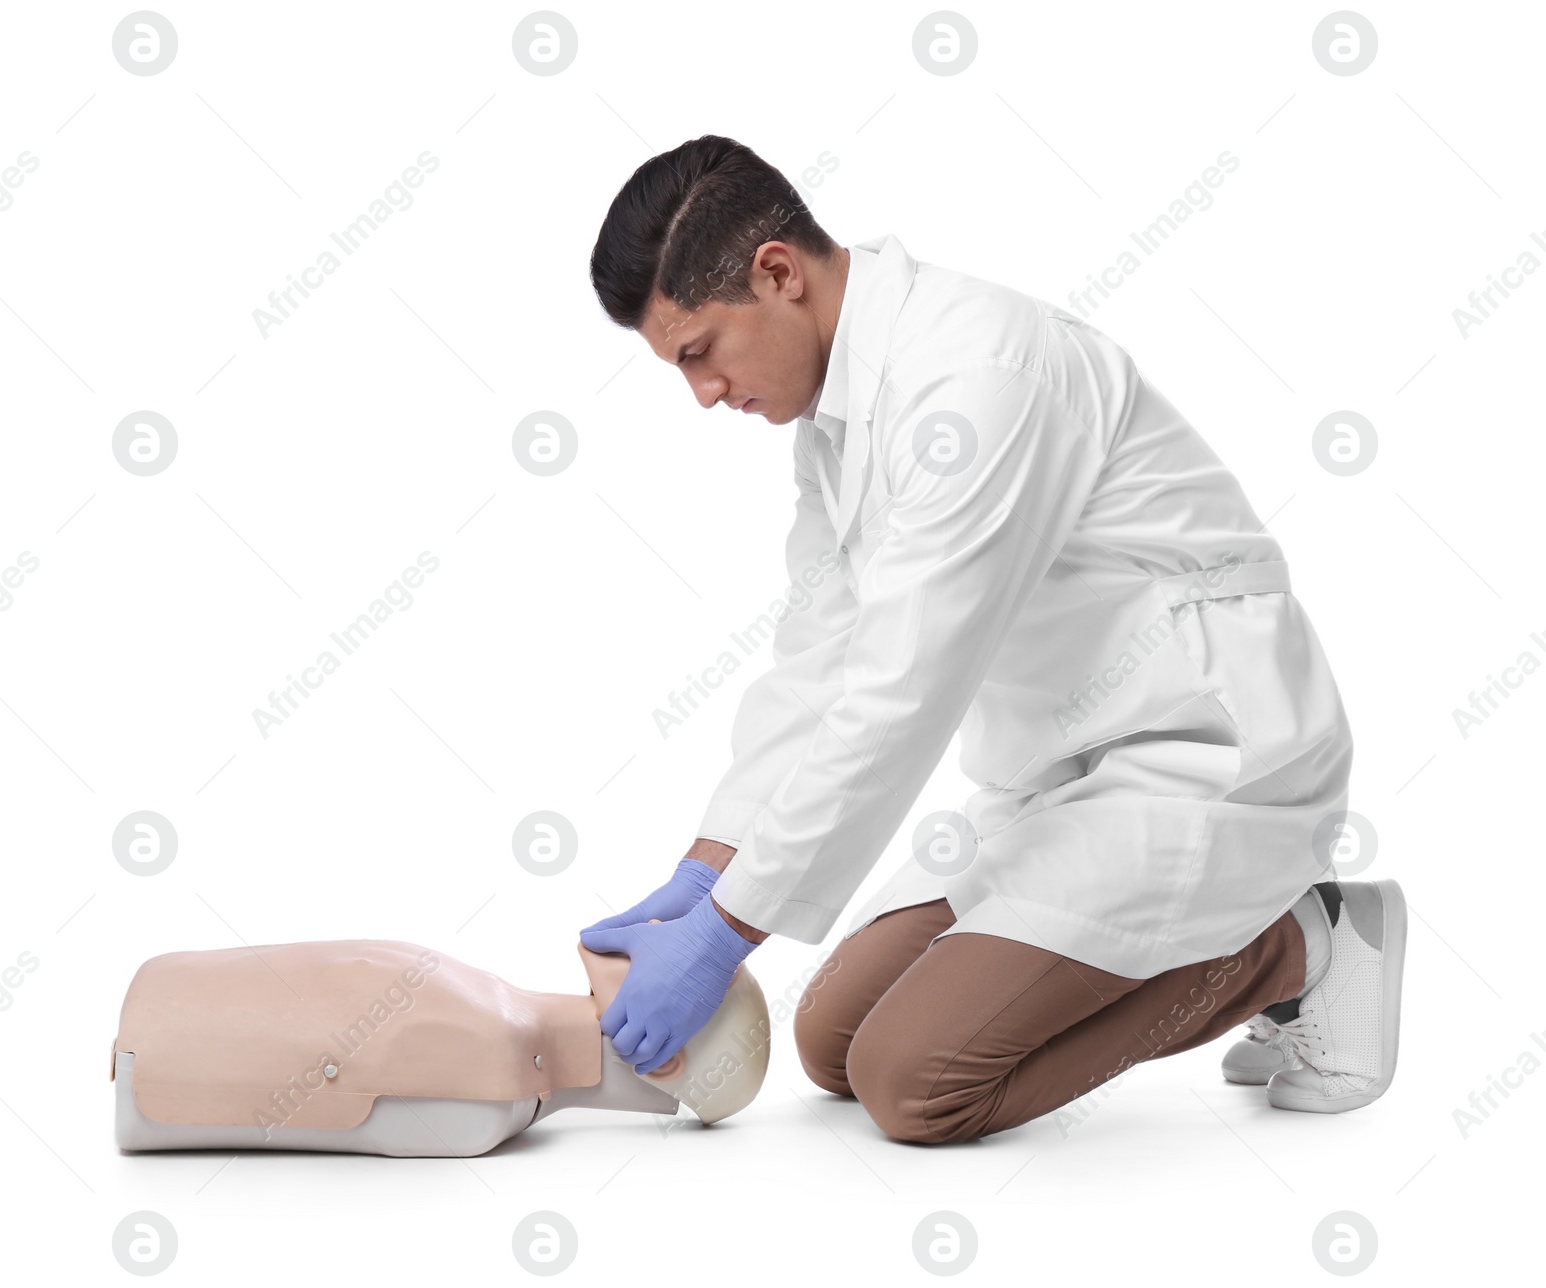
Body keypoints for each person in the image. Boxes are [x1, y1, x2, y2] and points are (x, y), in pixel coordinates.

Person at [578, 134, 1406, 1143]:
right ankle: (1238, 937)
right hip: (1060, 772)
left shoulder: (977, 376)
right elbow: (819, 660)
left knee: (915, 1086)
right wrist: (705, 875)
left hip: (1198, 752)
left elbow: (898, 696)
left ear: (777, 273)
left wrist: (720, 936)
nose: (702, 393)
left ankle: (1296, 943)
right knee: (830, 1043)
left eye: (699, 351)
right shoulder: (838, 420)